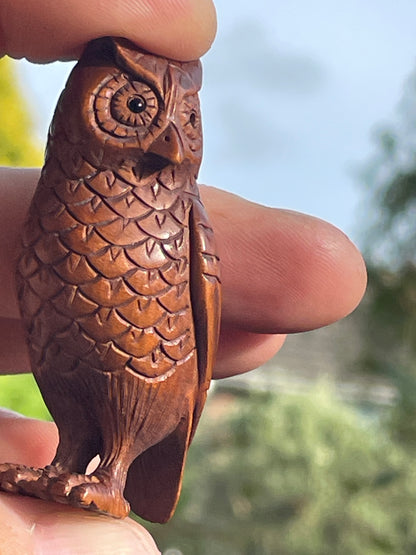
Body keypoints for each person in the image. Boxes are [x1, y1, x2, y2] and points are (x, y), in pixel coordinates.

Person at [0, 0, 367, 552]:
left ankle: (115, 470)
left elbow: (201, 314)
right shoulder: (53, 201)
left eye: (188, 119)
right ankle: (69, 457)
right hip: (64, 341)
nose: (168, 135)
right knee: (65, 360)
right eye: (135, 105)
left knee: (130, 371)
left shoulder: (182, 214)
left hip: (154, 369)